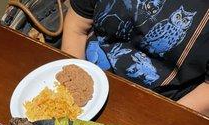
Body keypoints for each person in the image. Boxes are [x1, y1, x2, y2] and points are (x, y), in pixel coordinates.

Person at [61, 0, 209, 116]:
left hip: (160, 106)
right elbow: (77, 27)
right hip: (89, 80)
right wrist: (72, 92)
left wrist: (163, 121)